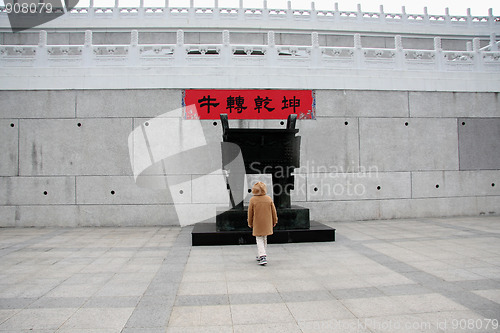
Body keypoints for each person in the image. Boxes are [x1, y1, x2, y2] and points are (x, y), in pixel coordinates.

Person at [247, 181, 278, 265]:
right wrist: (275, 220)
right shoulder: (268, 199)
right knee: (264, 237)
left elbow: (250, 213)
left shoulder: (253, 200)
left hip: (257, 222)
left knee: (259, 238)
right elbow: (274, 211)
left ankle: (262, 256)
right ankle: (262, 254)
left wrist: (250, 222)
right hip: (267, 222)